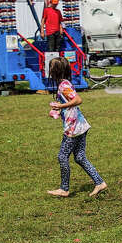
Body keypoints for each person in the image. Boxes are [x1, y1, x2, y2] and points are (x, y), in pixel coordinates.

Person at [46, 56, 106, 198]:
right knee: (79, 157)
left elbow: (78, 100)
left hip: (73, 128)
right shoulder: (65, 83)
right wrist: (60, 110)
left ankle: (64, 189)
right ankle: (99, 182)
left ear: (55, 71)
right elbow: (71, 102)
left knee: (62, 157)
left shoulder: (63, 86)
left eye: (50, 68)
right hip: (80, 125)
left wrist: (60, 106)